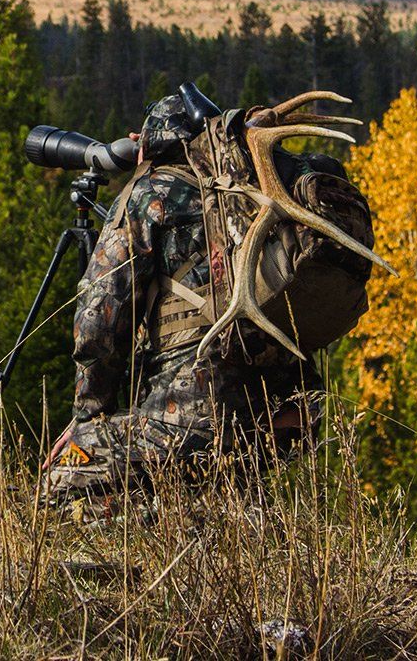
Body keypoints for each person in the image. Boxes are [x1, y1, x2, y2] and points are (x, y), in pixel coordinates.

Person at [42, 93, 324, 507]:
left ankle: (124, 543)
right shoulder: (250, 190)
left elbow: (98, 322)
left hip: (200, 417)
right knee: (220, 479)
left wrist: (89, 417)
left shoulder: (152, 192)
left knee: (70, 464)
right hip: (293, 412)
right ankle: (225, 527)